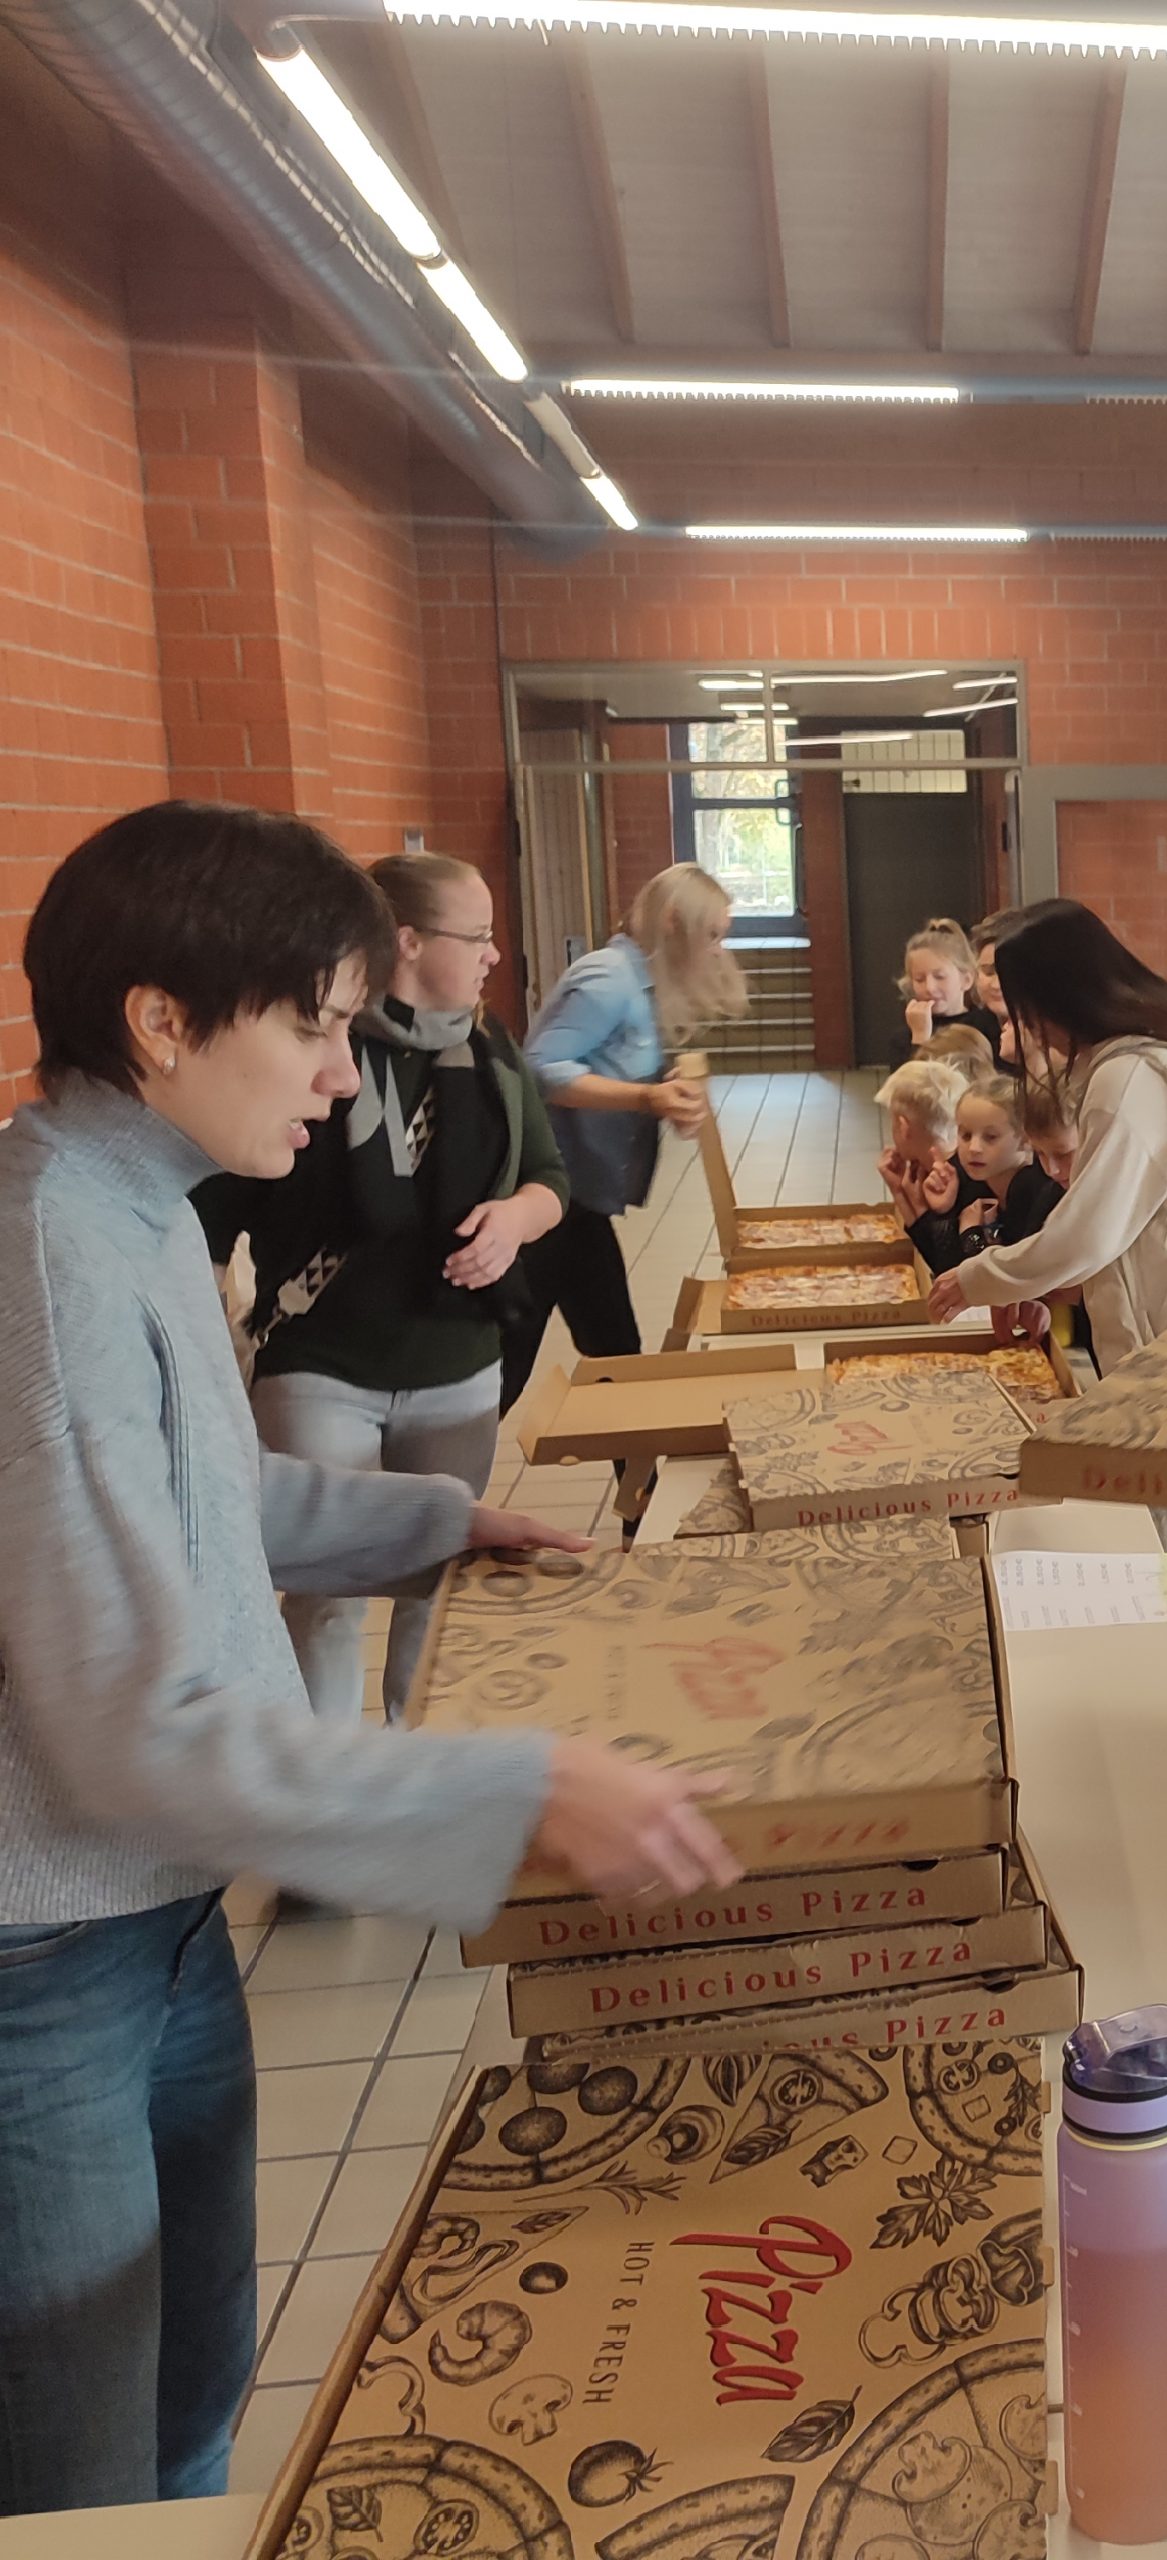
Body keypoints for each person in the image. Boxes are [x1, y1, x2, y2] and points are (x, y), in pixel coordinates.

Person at [0, 803, 739, 2520]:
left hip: (157, 1925)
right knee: (82, 2479)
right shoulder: (51, 1256)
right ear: (161, 1022)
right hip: (47, 1969)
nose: (344, 1078)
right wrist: (519, 1789)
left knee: (191, 2412)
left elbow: (208, 1499)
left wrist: (435, 1529)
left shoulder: (136, 1206)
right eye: (316, 1026)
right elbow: (128, 1730)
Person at [926, 902, 1167, 1809]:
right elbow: (1116, 1224)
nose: (1024, 1028)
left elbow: (1091, 1228)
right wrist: (1041, 1283)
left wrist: (984, 1275)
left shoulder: (1130, 1073)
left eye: (1022, 1005)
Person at [197, 852, 568, 1726]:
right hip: (322, 1364)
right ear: (407, 941)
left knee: (435, 1585)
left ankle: (412, 1758)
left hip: (458, 1364)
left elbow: (550, 1177)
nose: (495, 955)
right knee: (328, 1593)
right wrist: (206, 1349)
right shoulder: (309, 1057)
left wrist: (515, 1220)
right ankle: (327, 1785)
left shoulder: (492, 1052)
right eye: (476, 936)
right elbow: (213, 1214)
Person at [506, 863, 745, 1408]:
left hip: (578, 1203)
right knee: (516, 1359)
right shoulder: (609, 979)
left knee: (614, 1350)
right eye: (712, 936)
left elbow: (609, 1067)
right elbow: (539, 1069)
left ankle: (629, 1454)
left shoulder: (641, 983)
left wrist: (666, 1091)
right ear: (673, 922)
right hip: (548, 1199)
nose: (716, 952)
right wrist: (646, 1098)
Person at [877, 1054, 985, 1273]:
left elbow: (944, 1267)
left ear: (903, 1127)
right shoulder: (938, 1167)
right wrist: (899, 1192)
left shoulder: (962, 1179)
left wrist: (924, 1209)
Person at [953, 1073, 1065, 1255]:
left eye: (990, 1137)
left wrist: (970, 1234)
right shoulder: (975, 1182)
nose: (973, 1148)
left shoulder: (1031, 1187)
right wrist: (941, 1212)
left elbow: (1016, 1267)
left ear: (1026, 1138)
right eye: (966, 1135)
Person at [903, 917, 1001, 1055]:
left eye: (940, 977)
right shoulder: (905, 1037)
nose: (930, 988)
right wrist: (920, 1037)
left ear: (966, 980)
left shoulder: (988, 1026)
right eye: (919, 979)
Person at [972, 907, 1025, 1063]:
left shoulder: (1056, 1038)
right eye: (988, 972)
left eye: (1008, 972)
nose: (996, 985)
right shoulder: (969, 1034)